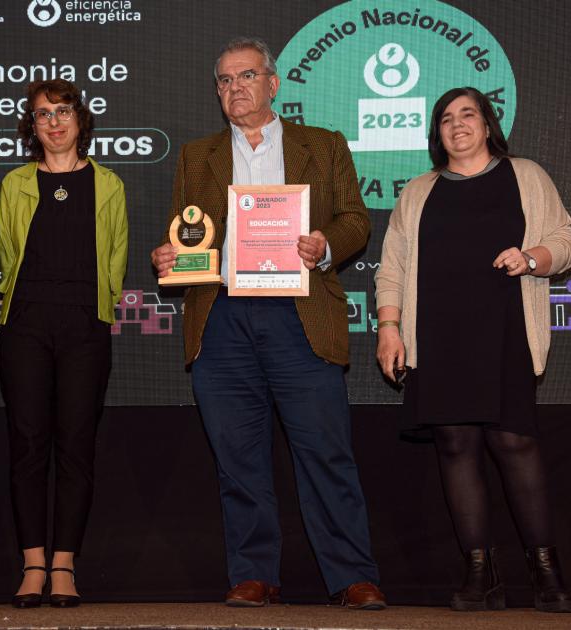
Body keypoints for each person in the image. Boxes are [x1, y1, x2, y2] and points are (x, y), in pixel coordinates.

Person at [150, 37, 385, 609]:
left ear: (272, 84)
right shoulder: (196, 156)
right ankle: (254, 573)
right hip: (223, 316)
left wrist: (326, 243)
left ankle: (352, 575)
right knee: (238, 458)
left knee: (325, 452)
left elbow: (356, 218)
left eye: (246, 77)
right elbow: (189, 235)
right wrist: (170, 259)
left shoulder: (322, 145)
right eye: (225, 81)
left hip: (299, 313)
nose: (236, 88)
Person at [374, 87, 571, 613]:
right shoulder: (418, 191)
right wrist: (390, 327)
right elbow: (393, 266)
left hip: (505, 329)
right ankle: (480, 573)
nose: (457, 125)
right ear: (436, 133)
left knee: (515, 445)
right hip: (437, 337)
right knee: (456, 447)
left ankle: (546, 572)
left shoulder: (526, 175)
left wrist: (532, 257)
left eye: (468, 115)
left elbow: (566, 240)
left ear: (488, 125)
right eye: (446, 118)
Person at [0, 79, 127, 608]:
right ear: (31, 126)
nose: (54, 121)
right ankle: (32, 564)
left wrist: (96, 311)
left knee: (75, 446)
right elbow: (7, 253)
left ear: (80, 119)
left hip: (85, 327)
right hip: (25, 325)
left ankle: (65, 564)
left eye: (63, 111)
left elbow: (116, 258)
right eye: (42, 114)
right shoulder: (15, 183)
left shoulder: (110, 184)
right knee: (28, 447)